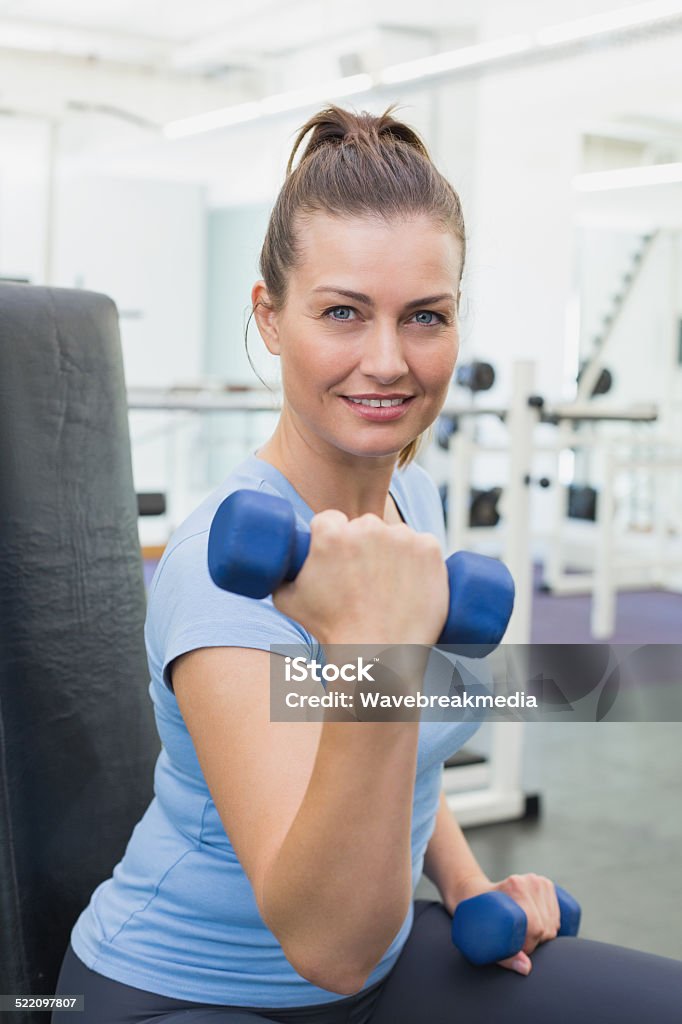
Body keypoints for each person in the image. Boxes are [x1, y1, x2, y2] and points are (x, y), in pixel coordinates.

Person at [53, 105, 682, 1024]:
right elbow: (329, 950)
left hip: (381, 957)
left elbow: (402, 761)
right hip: (187, 991)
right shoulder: (220, 574)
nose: (386, 362)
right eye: (343, 312)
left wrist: (468, 885)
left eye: (424, 316)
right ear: (269, 318)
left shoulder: (408, 506)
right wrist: (377, 648)